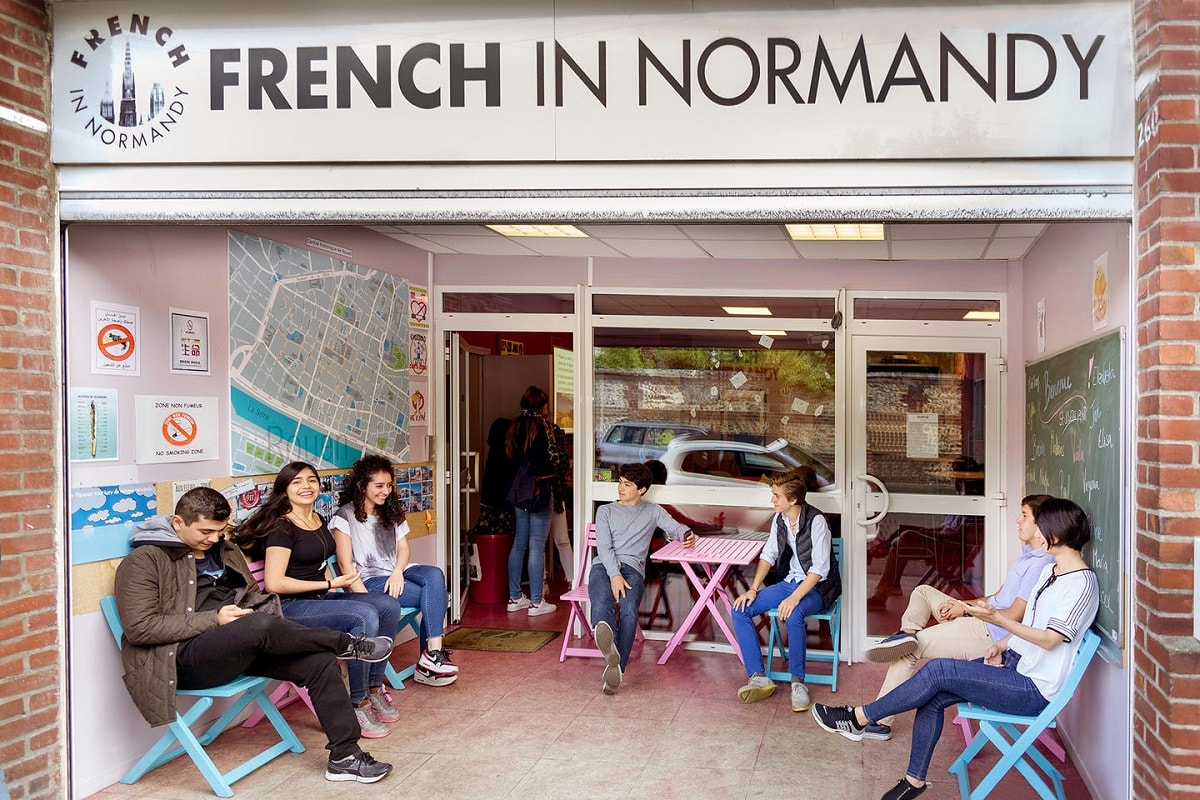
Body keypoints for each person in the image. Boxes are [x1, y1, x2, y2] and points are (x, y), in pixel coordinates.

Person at [811, 498, 1100, 800]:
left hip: (1032, 688)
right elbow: (1031, 624)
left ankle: (859, 718)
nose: (1034, 531)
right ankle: (913, 782)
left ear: (1057, 533)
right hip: (1014, 664)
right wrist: (1001, 645)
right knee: (933, 695)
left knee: (938, 670)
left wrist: (998, 620)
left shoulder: (1081, 584)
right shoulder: (1050, 572)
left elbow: (1049, 639)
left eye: (1040, 525)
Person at [113, 487, 393, 784]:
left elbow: (248, 595)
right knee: (259, 625)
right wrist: (215, 619)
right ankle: (346, 644)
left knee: (320, 661)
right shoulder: (144, 561)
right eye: (206, 531)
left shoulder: (224, 550)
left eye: (219, 531)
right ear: (178, 523)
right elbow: (140, 628)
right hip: (181, 660)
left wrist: (249, 612)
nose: (213, 539)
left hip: (238, 645)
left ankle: (345, 757)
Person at [861, 494, 1057, 739]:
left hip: (990, 634)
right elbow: (996, 597)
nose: (1017, 520)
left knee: (908, 652)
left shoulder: (1040, 564)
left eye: (1024, 515)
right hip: (980, 619)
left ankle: (879, 721)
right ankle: (906, 634)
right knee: (923, 592)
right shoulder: (1027, 555)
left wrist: (966, 610)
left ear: (1041, 524)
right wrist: (961, 604)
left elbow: (1014, 616)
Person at [235, 462, 403, 740]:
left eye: (311, 480)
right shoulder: (281, 527)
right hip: (289, 606)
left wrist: (333, 589)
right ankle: (357, 703)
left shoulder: (316, 519)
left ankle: (373, 689)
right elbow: (275, 583)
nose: (306, 486)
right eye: (297, 482)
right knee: (363, 616)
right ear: (285, 489)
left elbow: (320, 564)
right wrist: (330, 585)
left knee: (388, 606)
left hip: (318, 598)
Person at [332, 454, 459, 687]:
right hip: (370, 580)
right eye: (379, 486)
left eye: (389, 485)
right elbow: (344, 565)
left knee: (435, 575)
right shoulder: (345, 515)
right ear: (361, 485)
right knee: (434, 595)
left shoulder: (391, 511)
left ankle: (432, 654)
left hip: (396, 573)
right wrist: (367, 601)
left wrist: (398, 572)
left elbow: (403, 548)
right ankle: (429, 662)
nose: (386, 491)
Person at [730, 467, 840, 712]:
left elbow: (820, 569)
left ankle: (798, 683)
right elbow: (768, 554)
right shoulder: (780, 519)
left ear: (793, 499)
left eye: (777, 496)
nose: (772, 500)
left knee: (794, 613)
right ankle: (758, 677)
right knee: (740, 610)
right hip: (790, 582)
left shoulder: (817, 521)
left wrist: (794, 598)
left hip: (817, 587)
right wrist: (753, 589)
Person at [589, 461, 697, 694]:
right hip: (604, 567)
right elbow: (604, 549)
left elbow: (676, 527)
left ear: (642, 490)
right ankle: (608, 643)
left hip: (632, 569)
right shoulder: (605, 511)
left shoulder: (652, 511)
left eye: (627, 484)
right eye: (620, 482)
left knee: (629, 611)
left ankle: (617, 666)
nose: (621, 487)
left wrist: (687, 535)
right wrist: (614, 575)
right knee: (603, 603)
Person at [867, 456, 985, 608]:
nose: (956, 479)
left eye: (959, 476)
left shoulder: (975, 503)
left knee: (901, 543)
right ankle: (890, 573)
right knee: (905, 532)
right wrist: (930, 532)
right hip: (945, 541)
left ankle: (881, 595)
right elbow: (948, 528)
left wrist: (932, 534)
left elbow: (958, 536)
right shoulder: (962, 497)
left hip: (951, 549)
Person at [504, 385, 565, 616]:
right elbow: (548, 463)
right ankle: (537, 602)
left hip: (520, 491)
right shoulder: (543, 427)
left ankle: (514, 597)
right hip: (540, 491)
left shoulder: (514, 426)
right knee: (537, 545)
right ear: (542, 405)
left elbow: (512, 460)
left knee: (519, 542)